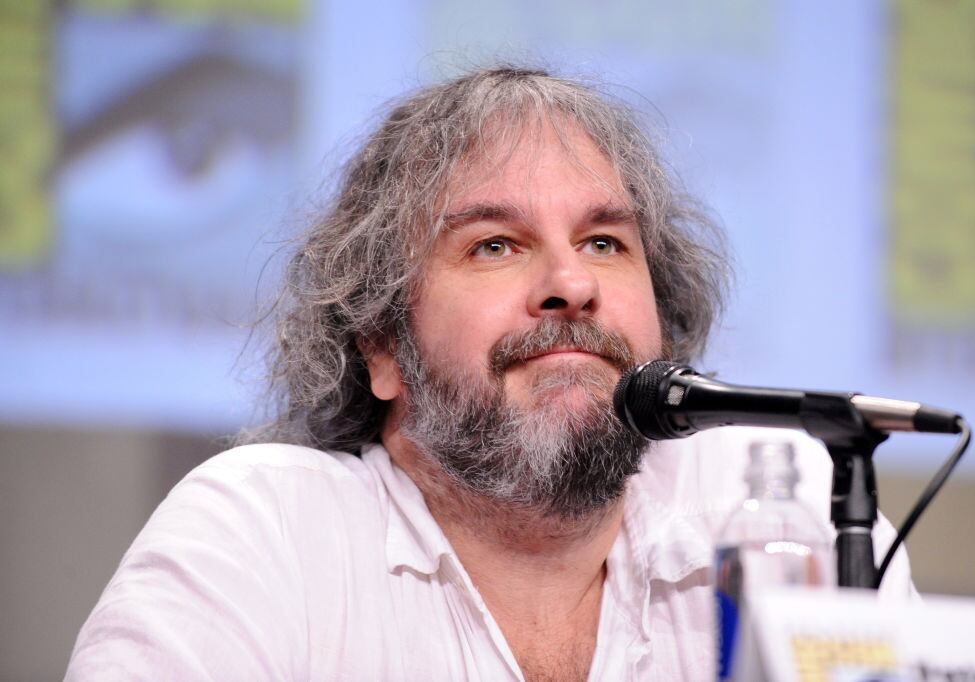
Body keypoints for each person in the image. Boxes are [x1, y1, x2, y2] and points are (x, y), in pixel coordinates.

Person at [66, 66, 913, 680]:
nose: (571, 283)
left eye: (605, 242)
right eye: (496, 245)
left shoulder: (789, 512)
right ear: (381, 346)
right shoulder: (264, 533)